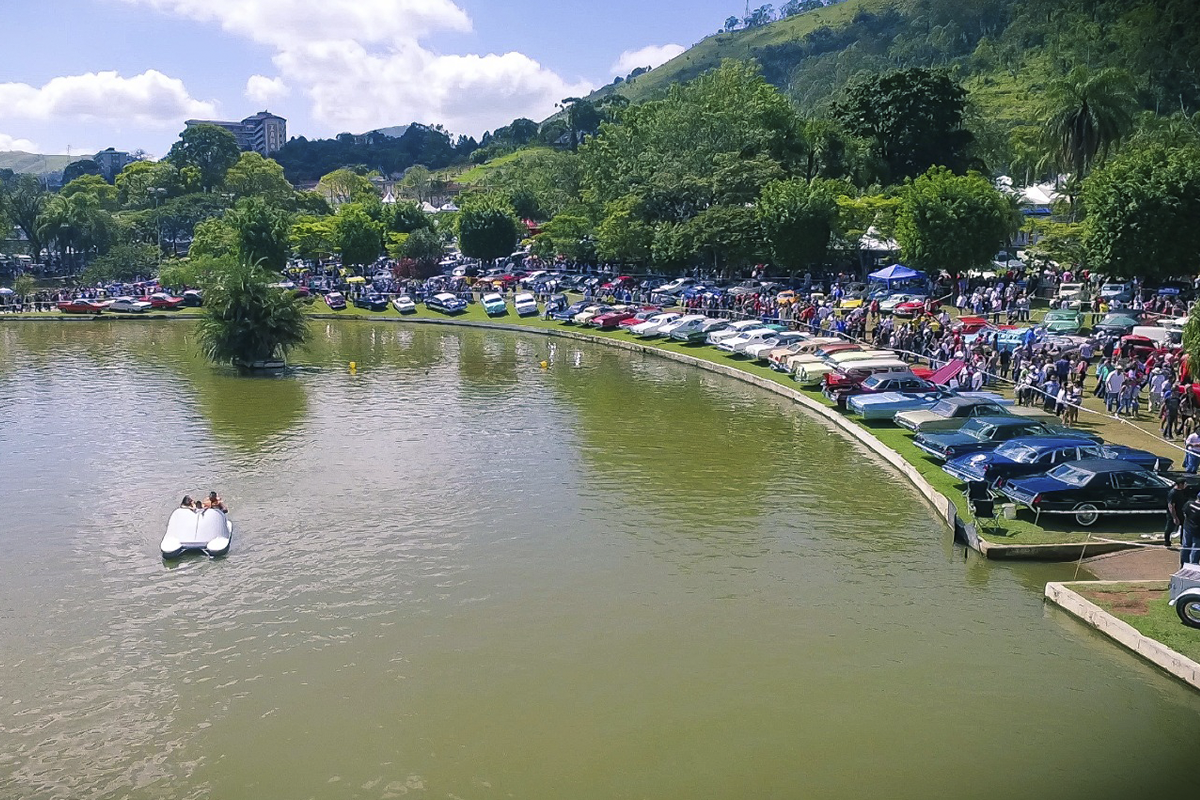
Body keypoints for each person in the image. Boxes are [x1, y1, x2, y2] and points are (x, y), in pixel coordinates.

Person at [1166, 477, 1189, 548]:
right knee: (1170, 528)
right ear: (1180, 484)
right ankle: (1167, 541)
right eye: (1184, 484)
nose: (1186, 485)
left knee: (1184, 527)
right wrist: (1174, 517)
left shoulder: (1182, 491)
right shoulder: (1173, 493)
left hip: (1181, 512)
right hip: (1173, 514)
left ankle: (1182, 541)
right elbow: (1171, 506)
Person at [1182, 494, 1200, 566]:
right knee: (1196, 549)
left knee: (1186, 546)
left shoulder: (1189, 503)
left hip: (1187, 528)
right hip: (1198, 532)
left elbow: (1185, 514)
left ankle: (1183, 565)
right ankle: (1193, 566)